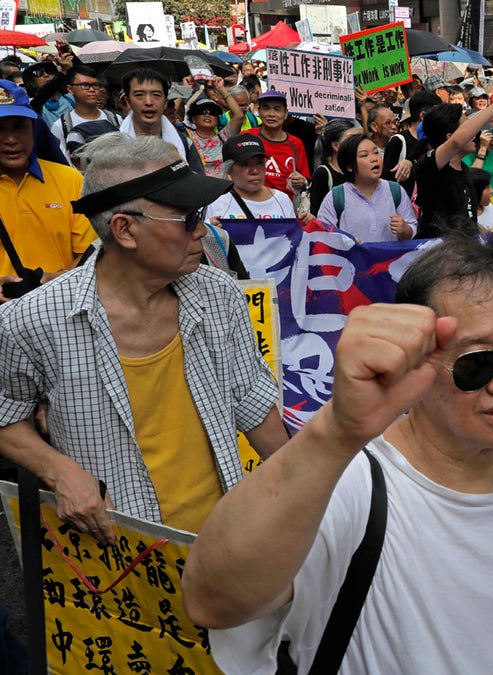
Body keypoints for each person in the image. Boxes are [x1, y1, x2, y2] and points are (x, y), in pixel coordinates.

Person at [183, 238, 493, 673]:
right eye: (476, 363)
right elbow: (211, 600)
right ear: (416, 366)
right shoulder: (349, 485)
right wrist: (335, 432)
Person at [0, 135, 288, 542]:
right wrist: (58, 471)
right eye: (187, 219)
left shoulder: (220, 294)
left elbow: (255, 407)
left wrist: (314, 497)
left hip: (225, 542)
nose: (202, 231)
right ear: (125, 230)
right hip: (120, 558)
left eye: (200, 213)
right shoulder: (31, 321)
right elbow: (6, 414)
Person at [0, 79, 94, 300]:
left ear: (34, 128)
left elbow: (89, 254)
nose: (11, 140)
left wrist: (53, 281)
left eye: (19, 126)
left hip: (58, 313)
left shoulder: (70, 180)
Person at [413, 81, 493, 234]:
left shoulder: (464, 170)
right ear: (450, 136)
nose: (475, 134)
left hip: (465, 251)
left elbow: (467, 220)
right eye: (468, 129)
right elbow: (456, 141)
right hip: (440, 252)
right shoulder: (429, 164)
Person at [317, 134, 417, 242]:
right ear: (350, 166)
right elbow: (323, 235)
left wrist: (405, 230)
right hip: (352, 258)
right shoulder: (336, 197)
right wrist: (345, 241)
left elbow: (411, 228)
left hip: (390, 259)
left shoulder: (395, 190)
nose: (374, 159)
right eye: (364, 155)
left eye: (376, 152)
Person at [118, 68, 205, 174]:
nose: (149, 102)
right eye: (139, 95)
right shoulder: (114, 146)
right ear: (128, 101)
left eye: (156, 95)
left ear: (165, 103)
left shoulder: (184, 143)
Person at [207, 134, 299, 220]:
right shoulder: (215, 203)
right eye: (244, 164)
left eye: (259, 163)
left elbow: (293, 236)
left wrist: (307, 227)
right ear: (229, 170)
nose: (254, 171)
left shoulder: (282, 200)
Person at [49, 65, 119, 158]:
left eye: (95, 85)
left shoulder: (115, 119)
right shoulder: (62, 126)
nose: (91, 90)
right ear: (70, 89)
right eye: (85, 85)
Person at [183, 87, 245, 178]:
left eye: (212, 112)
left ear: (218, 118)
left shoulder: (225, 136)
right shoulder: (186, 135)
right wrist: (184, 90)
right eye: (201, 111)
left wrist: (222, 88)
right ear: (193, 117)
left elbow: (239, 115)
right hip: (196, 186)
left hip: (222, 187)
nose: (207, 114)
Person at [307, 119, 359, 221]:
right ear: (336, 146)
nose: (358, 142)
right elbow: (319, 216)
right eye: (351, 139)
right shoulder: (323, 174)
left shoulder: (358, 171)